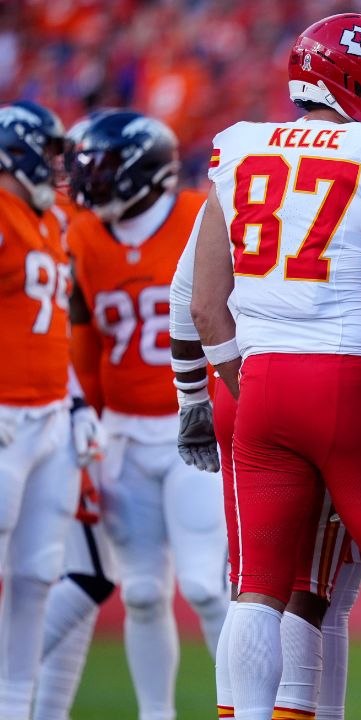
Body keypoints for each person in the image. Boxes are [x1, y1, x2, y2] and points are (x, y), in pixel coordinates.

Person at [190, 13, 361, 720]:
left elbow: (208, 306)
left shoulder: (237, 147)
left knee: (257, 587)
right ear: (353, 80)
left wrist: (251, 380)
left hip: (265, 381)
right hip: (354, 379)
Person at [63, 109, 228, 720]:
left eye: (103, 170)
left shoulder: (199, 215)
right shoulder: (79, 235)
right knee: (138, 592)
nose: (89, 185)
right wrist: (88, 421)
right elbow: (84, 341)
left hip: (193, 425)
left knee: (207, 587)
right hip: (122, 434)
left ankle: (247, 706)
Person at [0, 101, 101, 720]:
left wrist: (76, 399)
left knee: (38, 576)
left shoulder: (51, 218)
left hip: (49, 418)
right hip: (5, 417)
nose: (59, 166)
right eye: (51, 152)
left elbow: (51, 327)